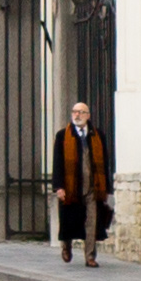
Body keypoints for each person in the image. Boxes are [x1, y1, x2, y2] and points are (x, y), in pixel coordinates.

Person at [53, 99, 112, 265]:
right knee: (69, 220)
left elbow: (104, 162)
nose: (77, 115)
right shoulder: (63, 135)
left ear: (88, 115)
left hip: (93, 186)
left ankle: (90, 256)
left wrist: (106, 187)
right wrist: (59, 187)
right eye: (74, 112)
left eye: (80, 112)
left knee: (92, 222)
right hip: (71, 187)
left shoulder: (97, 135)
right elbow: (57, 163)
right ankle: (66, 246)